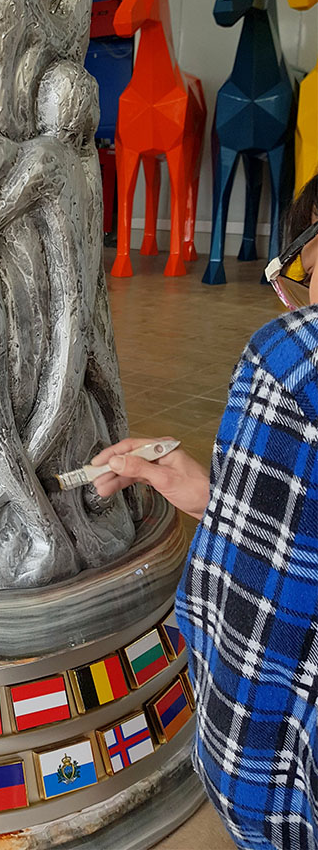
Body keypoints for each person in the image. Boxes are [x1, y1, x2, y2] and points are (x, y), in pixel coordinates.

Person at [93, 175, 318, 850]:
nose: (296, 298)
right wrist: (227, 499)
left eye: (298, 276)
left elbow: (249, 647)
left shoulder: (289, 362)